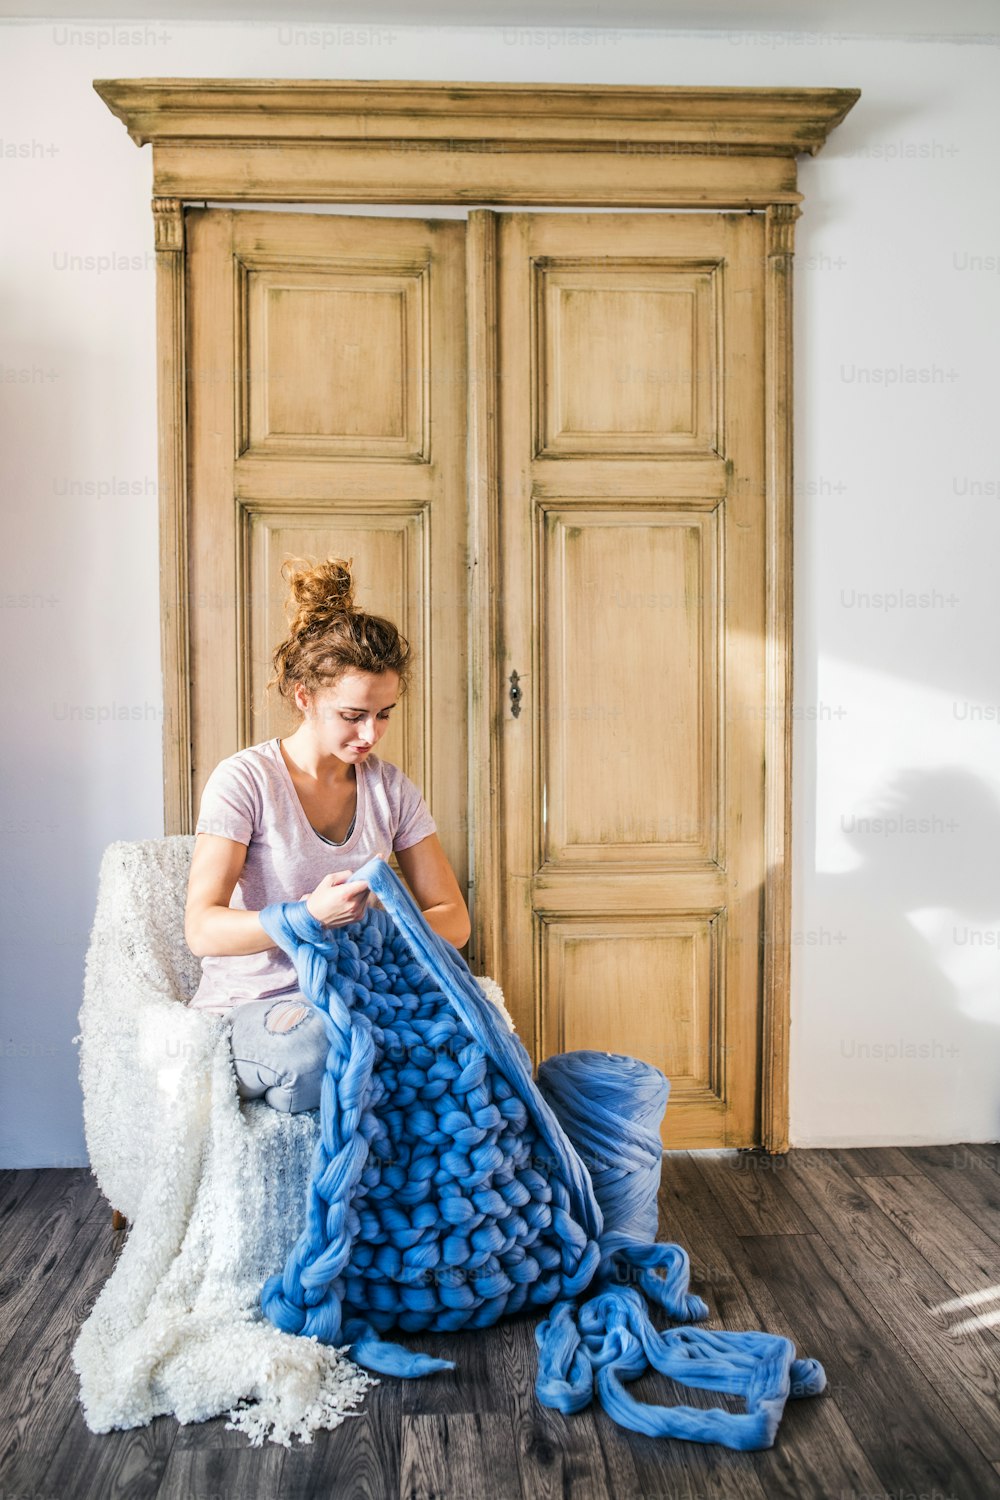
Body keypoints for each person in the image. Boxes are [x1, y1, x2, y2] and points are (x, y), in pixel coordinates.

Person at [183, 555, 471, 1114]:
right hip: (258, 1003)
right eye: (352, 714)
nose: (371, 734)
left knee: (471, 1043)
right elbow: (203, 929)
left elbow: (452, 919)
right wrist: (308, 917)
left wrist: (372, 920)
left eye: (385, 714)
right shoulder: (245, 780)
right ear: (304, 697)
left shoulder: (391, 790)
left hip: (358, 992)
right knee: (324, 1053)